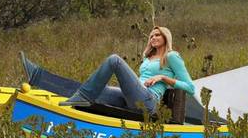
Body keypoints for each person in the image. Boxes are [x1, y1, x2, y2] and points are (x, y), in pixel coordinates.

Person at [60, 26, 195, 113]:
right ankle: (78, 102)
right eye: (151, 36)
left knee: (115, 60)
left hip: (148, 100)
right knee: (99, 91)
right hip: (132, 97)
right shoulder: (148, 57)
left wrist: (163, 78)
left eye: (157, 35)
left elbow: (190, 88)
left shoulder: (171, 56)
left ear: (166, 37)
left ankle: (82, 96)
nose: (153, 37)